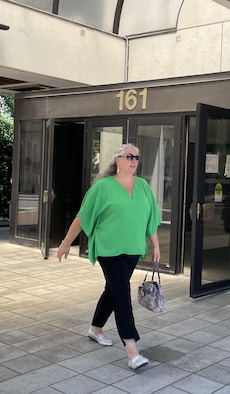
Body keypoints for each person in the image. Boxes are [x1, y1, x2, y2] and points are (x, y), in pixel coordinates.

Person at [57, 143, 161, 370]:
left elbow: (149, 219)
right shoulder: (102, 187)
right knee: (122, 294)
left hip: (133, 248)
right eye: (130, 156)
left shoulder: (142, 186)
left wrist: (156, 246)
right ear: (118, 160)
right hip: (108, 249)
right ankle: (132, 352)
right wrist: (65, 243)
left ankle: (95, 329)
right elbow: (82, 217)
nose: (134, 161)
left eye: (137, 157)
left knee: (113, 290)